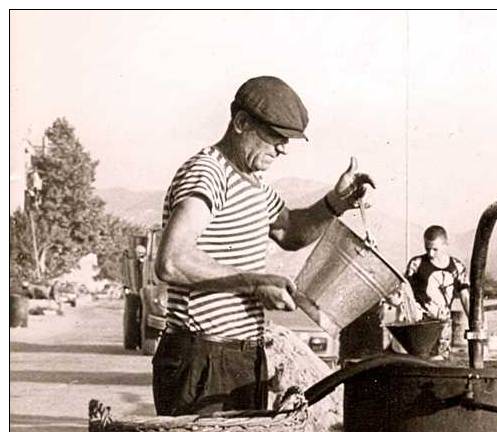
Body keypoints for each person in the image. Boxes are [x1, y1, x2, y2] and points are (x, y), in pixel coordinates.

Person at [153, 76, 374, 414]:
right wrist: (255, 283)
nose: (282, 148)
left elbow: (289, 231)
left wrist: (335, 202)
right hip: (203, 358)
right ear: (241, 123)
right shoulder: (207, 174)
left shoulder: (254, 184)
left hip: (242, 357)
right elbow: (172, 260)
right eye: (275, 137)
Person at [404, 226, 470, 357]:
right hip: (421, 324)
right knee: (420, 361)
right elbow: (405, 289)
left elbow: (465, 297)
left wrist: (474, 320)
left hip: (444, 324)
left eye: (435, 249)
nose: (431, 254)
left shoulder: (457, 267)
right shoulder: (416, 264)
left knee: (441, 361)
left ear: (446, 245)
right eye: (427, 249)